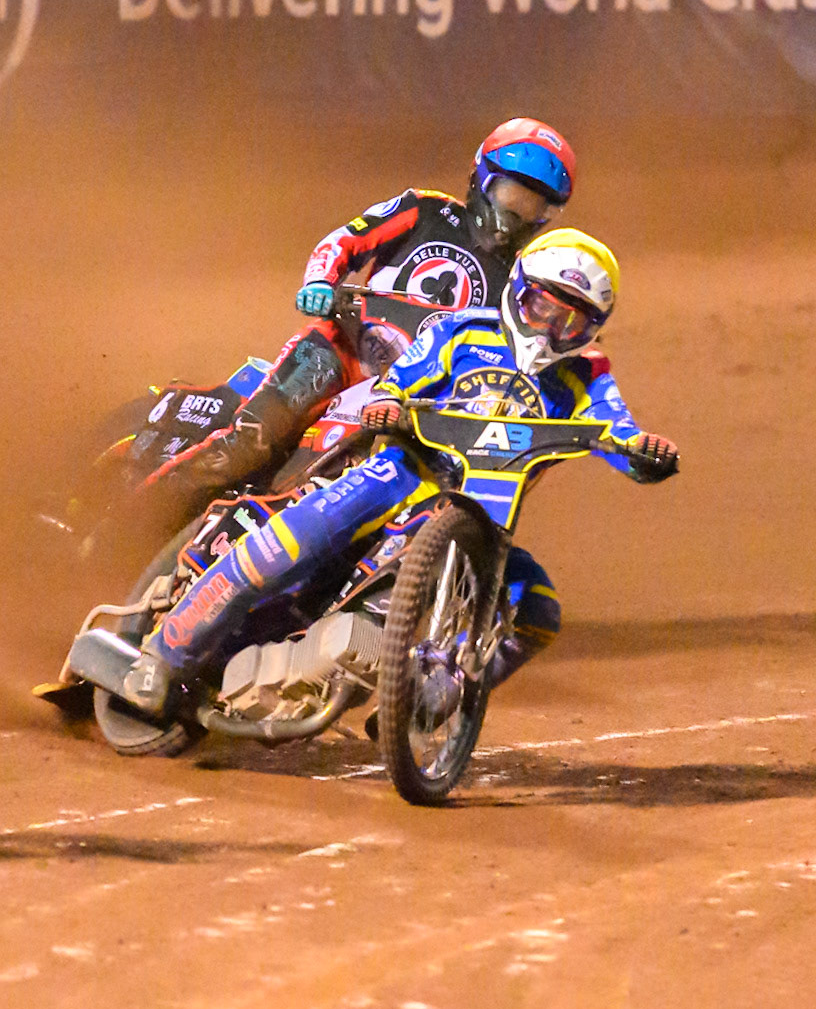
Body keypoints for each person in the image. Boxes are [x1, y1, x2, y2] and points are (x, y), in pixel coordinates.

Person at [116, 229, 678, 718]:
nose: (550, 328)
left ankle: (428, 704)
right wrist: (387, 400)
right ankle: (164, 655)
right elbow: (404, 375)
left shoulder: (588, 373)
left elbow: (617, 429)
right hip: (400, 474)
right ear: (516, 293)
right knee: (292, 541)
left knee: (537, 611)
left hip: (484, 519)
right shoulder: (462, 328)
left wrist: (644, 454)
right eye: (541, 308)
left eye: (570, 321)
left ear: (592, 328)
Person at [144, 118, 577, 505]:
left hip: (407, 398)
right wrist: (319, 281)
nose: (515, 214)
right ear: (482, 178)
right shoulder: (425, 209)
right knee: (248, 443)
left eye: (534, 205)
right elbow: (346, 240)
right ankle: (123, 526)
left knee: (368, 498)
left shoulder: (522, 281)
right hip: (341, 351)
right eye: (511, 195)